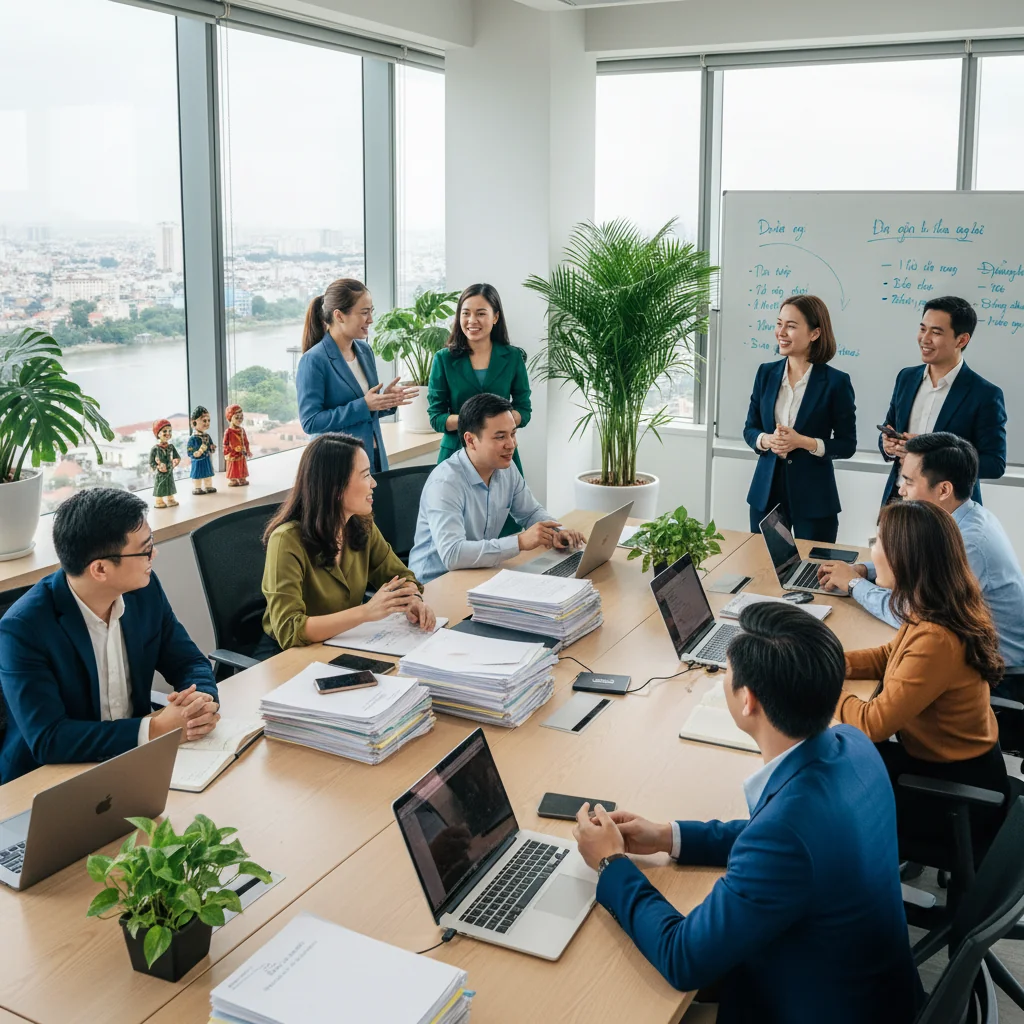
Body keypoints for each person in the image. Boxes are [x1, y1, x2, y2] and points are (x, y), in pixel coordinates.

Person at [572, 602, 922, 1024]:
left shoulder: (785, 838)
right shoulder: (852, 744)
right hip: (872, 989)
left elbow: (683, 957)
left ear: (748, 701)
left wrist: (610, 863)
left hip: (817, 1003)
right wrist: (669, 835)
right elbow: (784, 840)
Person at [0, 489, 220, 784]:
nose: (154, 554)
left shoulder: (144, 590)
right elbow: (49, 739)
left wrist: (201, 702)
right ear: (100, 569)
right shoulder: (22, 629)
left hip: (137, 760)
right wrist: (154, 729)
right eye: (145, 549)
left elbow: (189, 661)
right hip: (50, 779)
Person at [838, 500, 1008, 854]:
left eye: (878, 542)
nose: (872, 552)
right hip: (948, 767)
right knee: (837, 761)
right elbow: (890, 657)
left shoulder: (935, 635)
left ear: (905, 557)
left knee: (828, 791)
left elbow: (873, 724)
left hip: (955, 796)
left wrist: (822, 687)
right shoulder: (932, 606)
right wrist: (833, 662)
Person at [819, 433, 1024, 668]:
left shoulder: (967, 543)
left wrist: (854, 585)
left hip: (997, 668)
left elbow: (914, 613)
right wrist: (864, 571)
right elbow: (919, 566)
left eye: (909, 481)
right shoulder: (966, 516)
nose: (901, 490)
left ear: (944, 490)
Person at [259, 433, 437, 655]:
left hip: (344, 641)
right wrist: (366, 612)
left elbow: (400, 577)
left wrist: (413, 599)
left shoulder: (361, 524)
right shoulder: (286, 540)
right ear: (336, 488)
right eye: (365, 475)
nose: (374, 483)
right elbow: (289, 630)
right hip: (290, 653)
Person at [409, 393, 585, 585]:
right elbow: (453, 554)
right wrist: (519, 542)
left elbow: (531, 512)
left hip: (478, 575)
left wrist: (558, 531)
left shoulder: (505, 468)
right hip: (434, 586)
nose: (511, 445)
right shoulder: (445, 483)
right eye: (500, 437)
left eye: (513, 434)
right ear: (470, 440)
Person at [742, 294, 856, 542]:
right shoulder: (766, 373)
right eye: (779, 323)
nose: (781, 332)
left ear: (815, 333)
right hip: (766, 493)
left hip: (815, 498)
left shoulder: (836, 382)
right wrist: (766, 440)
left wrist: (804, 442)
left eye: (791, 326)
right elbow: (750, 429)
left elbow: (847, 444)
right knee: (764, 569)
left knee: (812, 574)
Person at [878, 295, 1006, 506]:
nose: (924, 339)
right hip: (898, 499)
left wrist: (933, 457)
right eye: (922, 329)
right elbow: (890, 427)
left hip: (947, 512)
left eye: (936, 332)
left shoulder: (984, 394)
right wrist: (888, 445)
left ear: (961, 340)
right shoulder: (906, 378)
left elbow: (995, 464)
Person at [296, 278, 418, 472]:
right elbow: (311, 422)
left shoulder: (364, 350)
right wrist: (364, 405)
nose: (370, 319)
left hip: (374, 458)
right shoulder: (314, 360)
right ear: (339, 316)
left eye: (371, 311)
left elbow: (368, 411)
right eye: (364, 313)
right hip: (337, 467)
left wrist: (386, 401)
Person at [427, 284, 532, 478]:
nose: (472, 320)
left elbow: (524, 411)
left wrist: (499, 425)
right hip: (456, 455)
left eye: (481, 313)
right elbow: (436, 418)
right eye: (465, 313)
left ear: (495, 317)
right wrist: (476, 422)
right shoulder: (443, 359)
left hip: (502, 455)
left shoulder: (512, 357)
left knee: (507, 507)